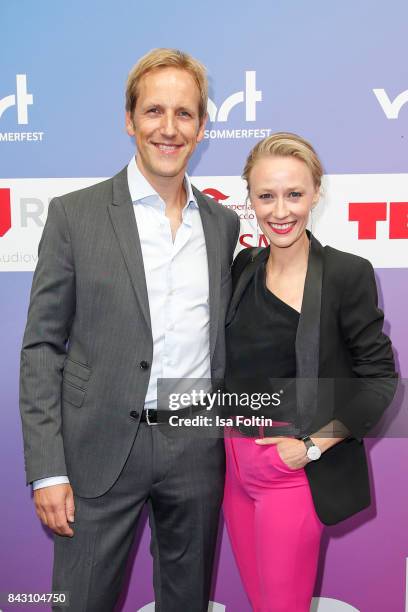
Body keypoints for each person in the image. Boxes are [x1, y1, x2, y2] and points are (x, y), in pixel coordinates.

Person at [19, 48, 239, 612]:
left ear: (202, 126)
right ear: (129, 119)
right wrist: (47, 470)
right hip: (97, 448)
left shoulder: (222, 224)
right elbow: (42, 345)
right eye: (154, 112)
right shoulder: (75, 216)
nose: (169, 129)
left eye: (184, 114)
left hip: (194, 446)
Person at [222, 133, 397, 612]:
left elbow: (380, 378)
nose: (281, 211)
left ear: (316, 192)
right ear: (249, 199)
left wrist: (313, 445)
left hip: (291, 472)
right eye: (267, 195)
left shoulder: (345, 274)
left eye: (294, 194)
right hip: (233, 469)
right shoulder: (242, 268)